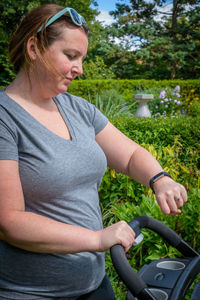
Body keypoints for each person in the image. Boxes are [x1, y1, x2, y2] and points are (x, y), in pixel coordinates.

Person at [0, 4, 187, 300]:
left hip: (94, 284)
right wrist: (97, 238)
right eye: (71, 56)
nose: (80, 69)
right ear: (34, 48)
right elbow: (10, 222)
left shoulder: (78, 108)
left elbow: (129, 155)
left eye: (82, 58)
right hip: (30, 293)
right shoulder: (4, 118)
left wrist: (159, 178)